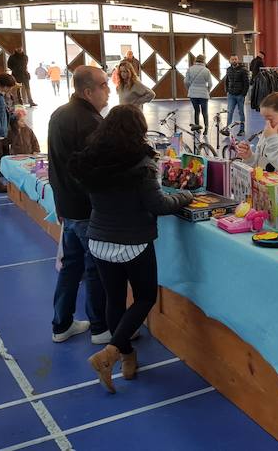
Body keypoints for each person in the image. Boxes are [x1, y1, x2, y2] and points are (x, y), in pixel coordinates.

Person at [68, 104, 193, 393]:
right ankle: (110, 354)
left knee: (114, 300)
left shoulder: (91, 161)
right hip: (133, 242)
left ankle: (126, 355)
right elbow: (158, 205)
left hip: (99, 239)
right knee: (145, 296)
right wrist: (186, 196)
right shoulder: (142, 165)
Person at [48, 66, 110, 345]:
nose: (108, 91)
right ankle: (100, 327)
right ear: (88, 91)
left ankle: (62, 324)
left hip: (67, 206)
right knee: (95, 268)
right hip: (87, 209)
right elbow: (96, 172)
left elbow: (55, 166)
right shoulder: (91, 123)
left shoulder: (59, 115)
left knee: (71, 266)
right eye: (104, 85)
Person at [184, 55, 213, 134]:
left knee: (196, 111)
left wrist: (189, 88)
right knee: (205, 112)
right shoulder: (206, 70)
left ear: (196, 60)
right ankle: (206, 129)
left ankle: (197, 128)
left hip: (193, 94)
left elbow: (186, 82)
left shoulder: (190, 69)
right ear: (204, 61)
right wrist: (208, 90)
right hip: (203, 94)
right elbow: (210, 83)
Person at [225, 55, 250, 135]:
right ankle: (227, 129)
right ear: (230, 60)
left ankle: (242, 130)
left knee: (241, 113)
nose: (234, 60)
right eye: (232, 59)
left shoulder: (243, 70)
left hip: (240, 95)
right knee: (230, 112)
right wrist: (227, 90)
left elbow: (246, 83)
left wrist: (243, 94)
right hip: (231, 95)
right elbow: (227, 81)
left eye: (235, 59)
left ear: (238, 60)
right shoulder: (228, 70)